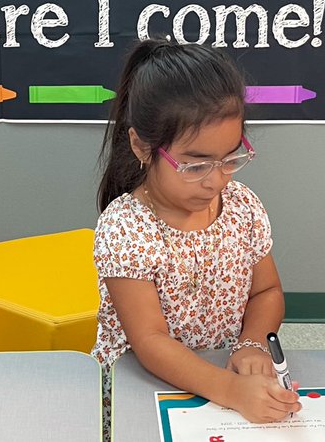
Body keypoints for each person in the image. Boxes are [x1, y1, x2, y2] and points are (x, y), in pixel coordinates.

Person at [93, 38, 299, 424]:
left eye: (231, 158)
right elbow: (150, 342)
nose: (215, 181)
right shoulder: (125, 229)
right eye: (195, 165)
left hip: (220, 376)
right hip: (139, 384)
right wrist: (231, 390)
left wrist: (252, 344)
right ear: (141, 146)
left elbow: (267, 291)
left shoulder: (242, 206)